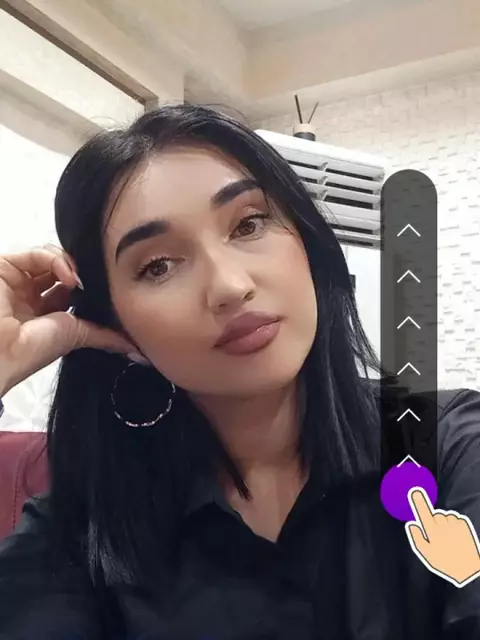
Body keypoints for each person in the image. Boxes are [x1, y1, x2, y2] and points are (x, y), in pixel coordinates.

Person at [0, 104, 479, 640]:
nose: (230, 286)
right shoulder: (80, 530)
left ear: (306, 241)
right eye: (158, 265)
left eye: (249, 224)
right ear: (113, 318)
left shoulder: (446, 446)